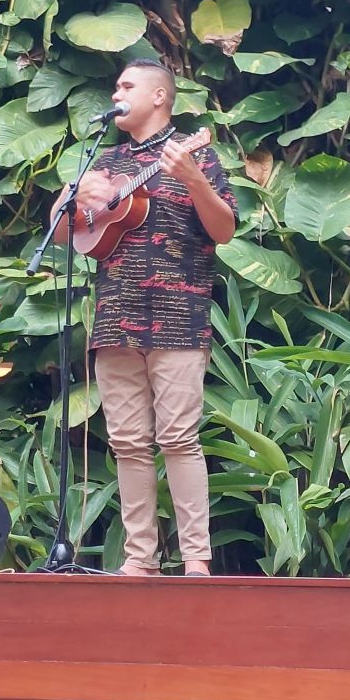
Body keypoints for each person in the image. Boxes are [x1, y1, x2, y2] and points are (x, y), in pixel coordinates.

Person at [67, 59, 236, 577]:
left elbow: (225, 229)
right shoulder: (106, 162)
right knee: (126, 443)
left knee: (179, 438)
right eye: (115, 85)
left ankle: (196, 560)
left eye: (127, 85)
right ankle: (140, 558)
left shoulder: (195, 152)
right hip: (115, 318)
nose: (115, 93)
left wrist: (194, 181)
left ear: (160, 96)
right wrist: (73, 200)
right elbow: (68, 229)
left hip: (177, 316)